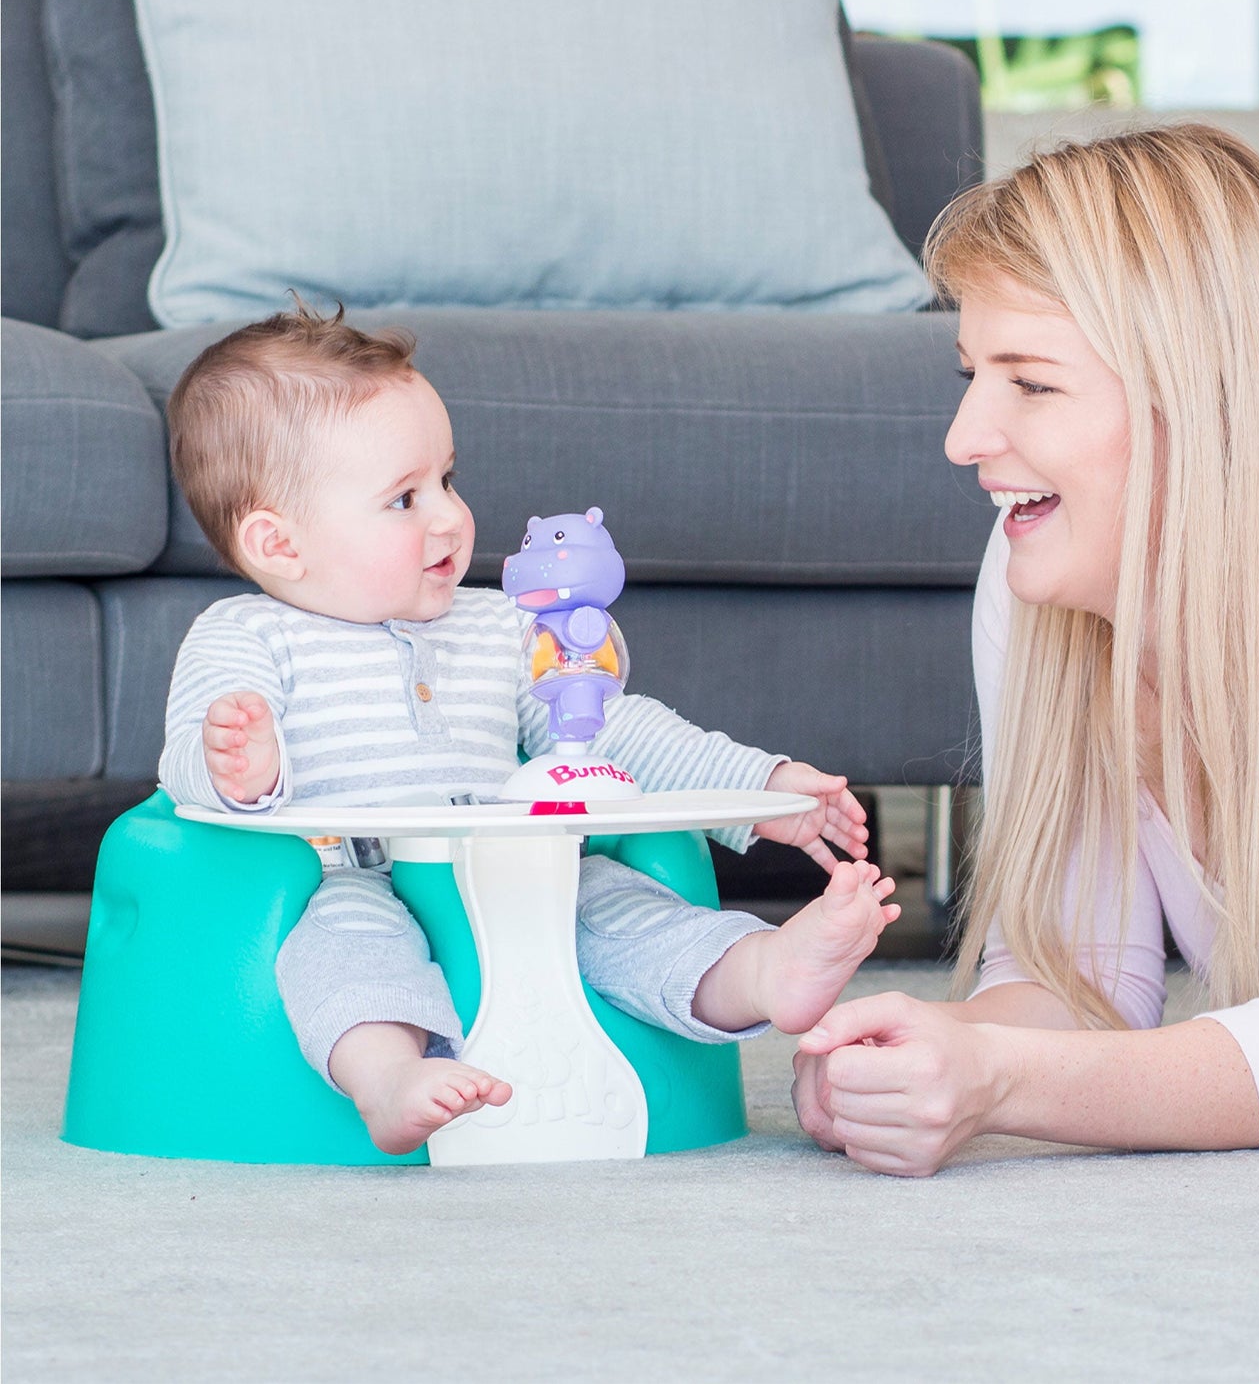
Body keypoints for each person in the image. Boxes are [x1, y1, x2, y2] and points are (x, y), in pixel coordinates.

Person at [792, 122, 1259, 1175]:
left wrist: (1003, 1077)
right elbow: (1077, 979)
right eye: (970, 372)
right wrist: (922, 1053)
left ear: (1205, 399)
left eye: (1030, 383)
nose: (963, 438)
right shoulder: (1044, 568)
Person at [159, 304, 898, 1155]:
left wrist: (754, 788)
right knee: (343, 954)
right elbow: (187, 759)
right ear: (277, 543)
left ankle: (762, 973)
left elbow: (606, 734)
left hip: (524, 867)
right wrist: (235, 761)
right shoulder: (246, 636)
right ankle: (388, 1077)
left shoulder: (499, 626)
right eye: (403, 497)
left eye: (447, 478)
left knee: (628, 911)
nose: (448, 516)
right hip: (347, 872)